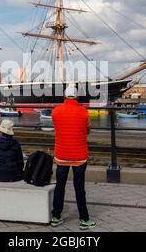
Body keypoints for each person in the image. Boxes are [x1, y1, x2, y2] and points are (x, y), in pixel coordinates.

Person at [50, 85, 96, 230]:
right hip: (79, 156)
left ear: (64, 96)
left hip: (62, 155)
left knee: (60, 186)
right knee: (79, 188)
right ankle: (84, 219)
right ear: (77, 97)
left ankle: (56, 217)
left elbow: (57, 127)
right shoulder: (84, 112)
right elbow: (88, 130)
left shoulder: (55, 111)